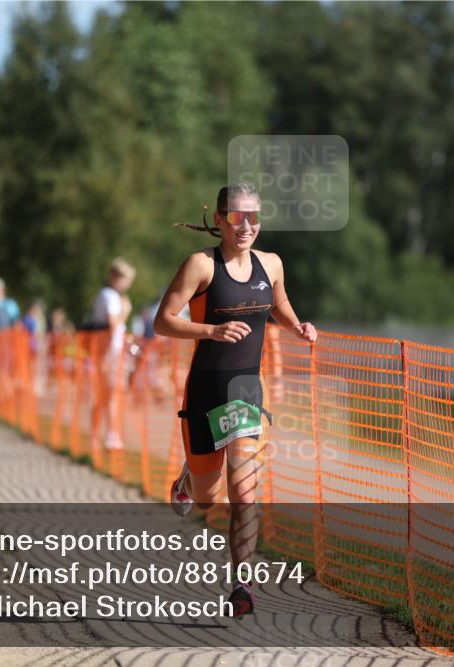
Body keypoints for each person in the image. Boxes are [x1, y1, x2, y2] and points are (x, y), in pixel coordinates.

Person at [154, 182, 317, 617]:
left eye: (254, 217)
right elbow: (163, 321)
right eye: (237, 217)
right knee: (208, 500)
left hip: (246, 391)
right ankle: (189, 480)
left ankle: (242, 586)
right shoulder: (201, 266)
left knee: (244, 493)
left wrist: (297, 326)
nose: (247, 226)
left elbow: (279, 303)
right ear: (220, 219)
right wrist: (211, 331)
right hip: (205, 391)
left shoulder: (272, 263)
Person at [82, 258, 136, 451]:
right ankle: (111, 435)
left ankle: (98, 435)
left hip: (106, 351)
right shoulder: (110, 296)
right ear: (116, 277)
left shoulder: (105, 295)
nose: (128, 285)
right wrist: (126, 312)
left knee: (105, 395)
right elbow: (113, 324)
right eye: (126, 280)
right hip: (109, 353)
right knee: (111, 394)